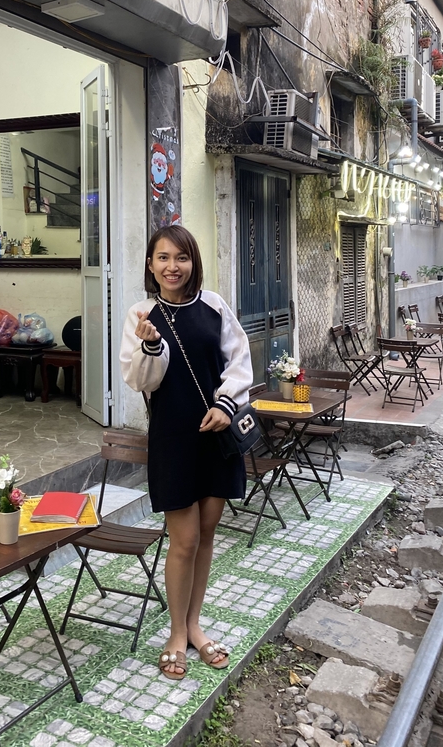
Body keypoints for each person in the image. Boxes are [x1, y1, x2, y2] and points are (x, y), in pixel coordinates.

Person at [120, 225, 253, 679]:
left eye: (181, 258)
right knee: (184, 541)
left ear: (193, 262)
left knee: (208, 534)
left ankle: (195, 625)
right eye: (162, 258)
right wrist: (151, 344)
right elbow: (141, 381)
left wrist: (226, 403)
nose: (172, 267)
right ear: (151, 265)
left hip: (216, 434)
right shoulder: (140, 313)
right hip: (174, 438)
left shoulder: (214, 305)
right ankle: (177, 632)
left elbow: (238, 360)